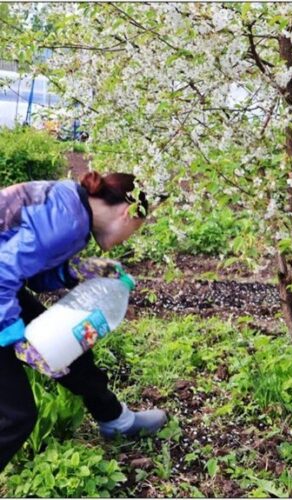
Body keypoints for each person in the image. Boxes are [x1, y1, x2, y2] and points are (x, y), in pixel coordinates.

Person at [0, 171, 168, 471]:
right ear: (128, 212)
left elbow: (33, 271)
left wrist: (79, 270)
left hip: (4, 290)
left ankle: (115, 419)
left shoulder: (72, 209)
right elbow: (1, 274)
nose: (127, 239)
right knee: (15, 415)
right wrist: (20, 342)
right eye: (137, 228)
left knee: (69, 352)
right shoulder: (69, 219)